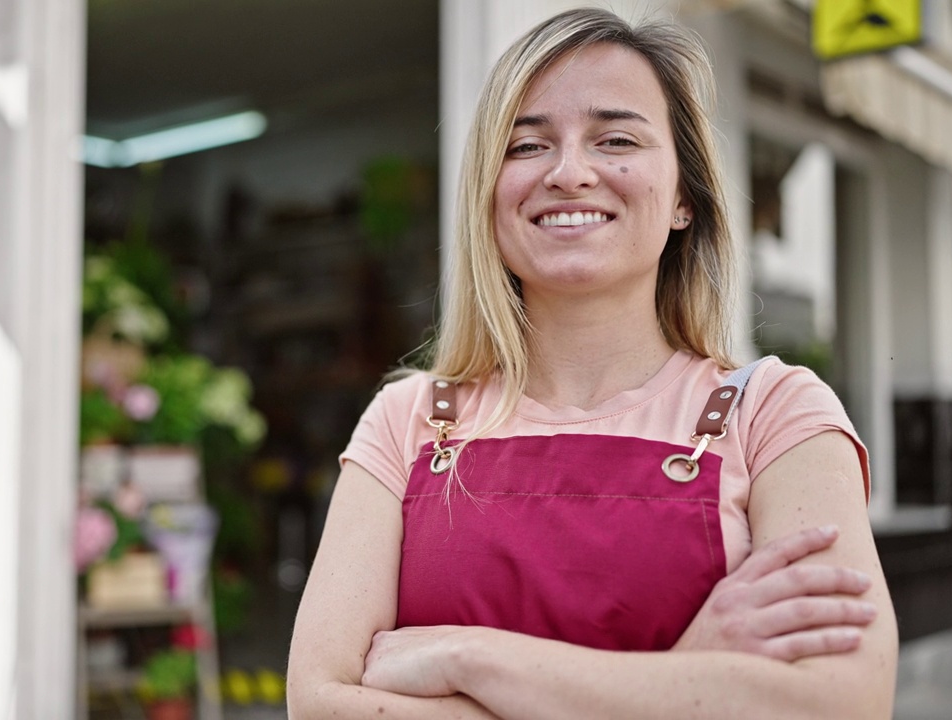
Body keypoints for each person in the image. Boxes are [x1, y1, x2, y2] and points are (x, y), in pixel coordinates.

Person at [287, 7, 897, 719]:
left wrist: (472, 659)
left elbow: (839, 704)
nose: (570, 173)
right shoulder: (412, 419)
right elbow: (321, 703)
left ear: (683, 199)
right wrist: (691, 678)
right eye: (526, 146)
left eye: (615, 139)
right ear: (489, 194)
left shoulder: (777, 414)